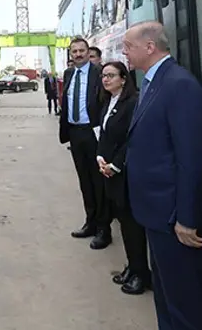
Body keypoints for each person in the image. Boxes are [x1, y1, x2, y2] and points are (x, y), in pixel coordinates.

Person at [123, 21, 202, 330]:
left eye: (128, 47)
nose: (124, 53)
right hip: (156, 214)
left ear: (150, 47)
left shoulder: (179, 84)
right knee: (167, 297)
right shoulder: (154, 81)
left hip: (174, 217)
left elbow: (191, 157)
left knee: (188, 304)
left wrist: (186, 218)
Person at [95, 61, 149, 295]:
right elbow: (104, 133)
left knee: (132, 224)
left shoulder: (133, 103)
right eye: (103, 76)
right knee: (124, 222)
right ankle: (132, 266)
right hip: (109, 169)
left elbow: (132, 139)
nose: (106, 80)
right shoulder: (109, 101)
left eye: (111, 75)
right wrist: (100, 157)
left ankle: (141, 273)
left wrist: (115, 165)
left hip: (125, 172)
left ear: (124, 78)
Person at [59, 37, 109, 249]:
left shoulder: (100, 73)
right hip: (75, 132)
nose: (78, 54)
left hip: (93, 132)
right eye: (74, 51)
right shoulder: (69, 73)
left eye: (82, 51)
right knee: (84, 181)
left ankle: (104, 229)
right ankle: (90, 222)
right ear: (70, 54)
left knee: (99, 182)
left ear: (89, 53)